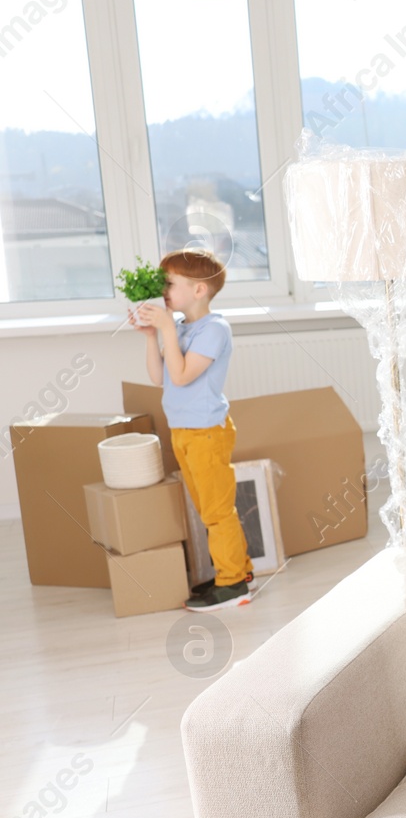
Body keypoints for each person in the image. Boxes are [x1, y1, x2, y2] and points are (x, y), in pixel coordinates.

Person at [129, 249, 253, 611]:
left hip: (206, 433)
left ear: (199, 290)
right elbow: (160, 378)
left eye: (170, 283)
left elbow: (182, 376)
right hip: (184, 432)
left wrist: (167, 327)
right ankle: (238, 572)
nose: (164, 290)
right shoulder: (181, 328)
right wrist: (153, 335)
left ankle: (232, 584)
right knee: (208, 509)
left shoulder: (215, 330)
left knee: (217, 511)